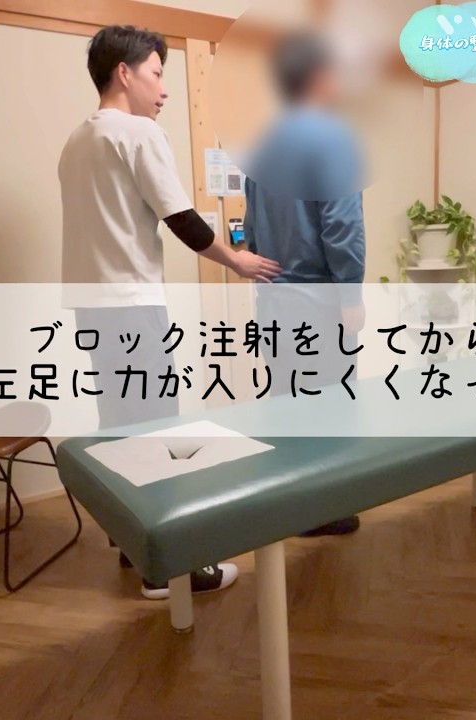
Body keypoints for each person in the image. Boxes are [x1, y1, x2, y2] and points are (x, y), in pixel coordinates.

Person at [58, 25, 281, 599]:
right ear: (124, 72)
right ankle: (169, 572)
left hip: (92, 305)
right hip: (131, 303)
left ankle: (133, 547)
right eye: (156, 74)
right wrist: (236, 259)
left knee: (121, 427)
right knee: (156, 431)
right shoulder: (139, 133)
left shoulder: (78, 140)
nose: (163, 90)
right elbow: (183, 220)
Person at [244, 30, 366, 537]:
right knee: (330, 407)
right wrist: (350, 294)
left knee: (287, 400)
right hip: (319, 297)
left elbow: (251, 228)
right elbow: (342, 226)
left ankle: (291, 504)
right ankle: (324, 510)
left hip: (274, 297)